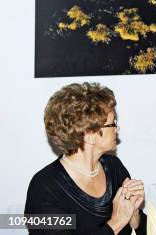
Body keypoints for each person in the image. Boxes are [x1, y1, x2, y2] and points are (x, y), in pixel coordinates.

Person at [25, 83, 146, 235]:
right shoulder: (45, 187)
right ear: (90, 134)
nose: (117, 128)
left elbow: (141, 229)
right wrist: (117, 222)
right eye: (112, 123)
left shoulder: (114, 166)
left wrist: (133, 215)